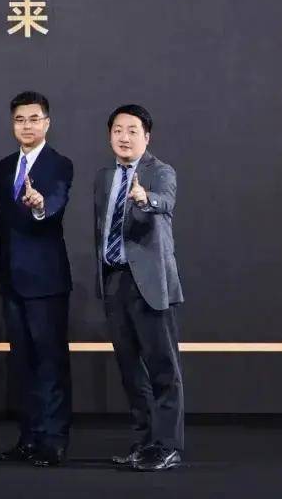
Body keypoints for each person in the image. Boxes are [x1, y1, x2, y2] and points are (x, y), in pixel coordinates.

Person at [93, 104, 184, 472]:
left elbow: (166, 202)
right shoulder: (103, 177)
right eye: (117, 130)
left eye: (132, 130)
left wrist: (147, 199)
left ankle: (168, 446)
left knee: (163, 369)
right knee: (130, 370)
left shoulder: (160, 172)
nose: (124, 137)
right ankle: (144, 442)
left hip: (150, 284)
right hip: (114, 280)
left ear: (147, 136)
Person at [0, 91, 74, 467]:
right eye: (20, 119)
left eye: (34, 118)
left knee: (50, 363)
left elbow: (55, 201)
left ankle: (53, 440)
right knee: (22, 364)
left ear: (47, 123)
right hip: (11, 280)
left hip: (46, 282)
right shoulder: (5, 165)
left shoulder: (60, 164)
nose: (27, 126)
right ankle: (29, 437)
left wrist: (40, 206)